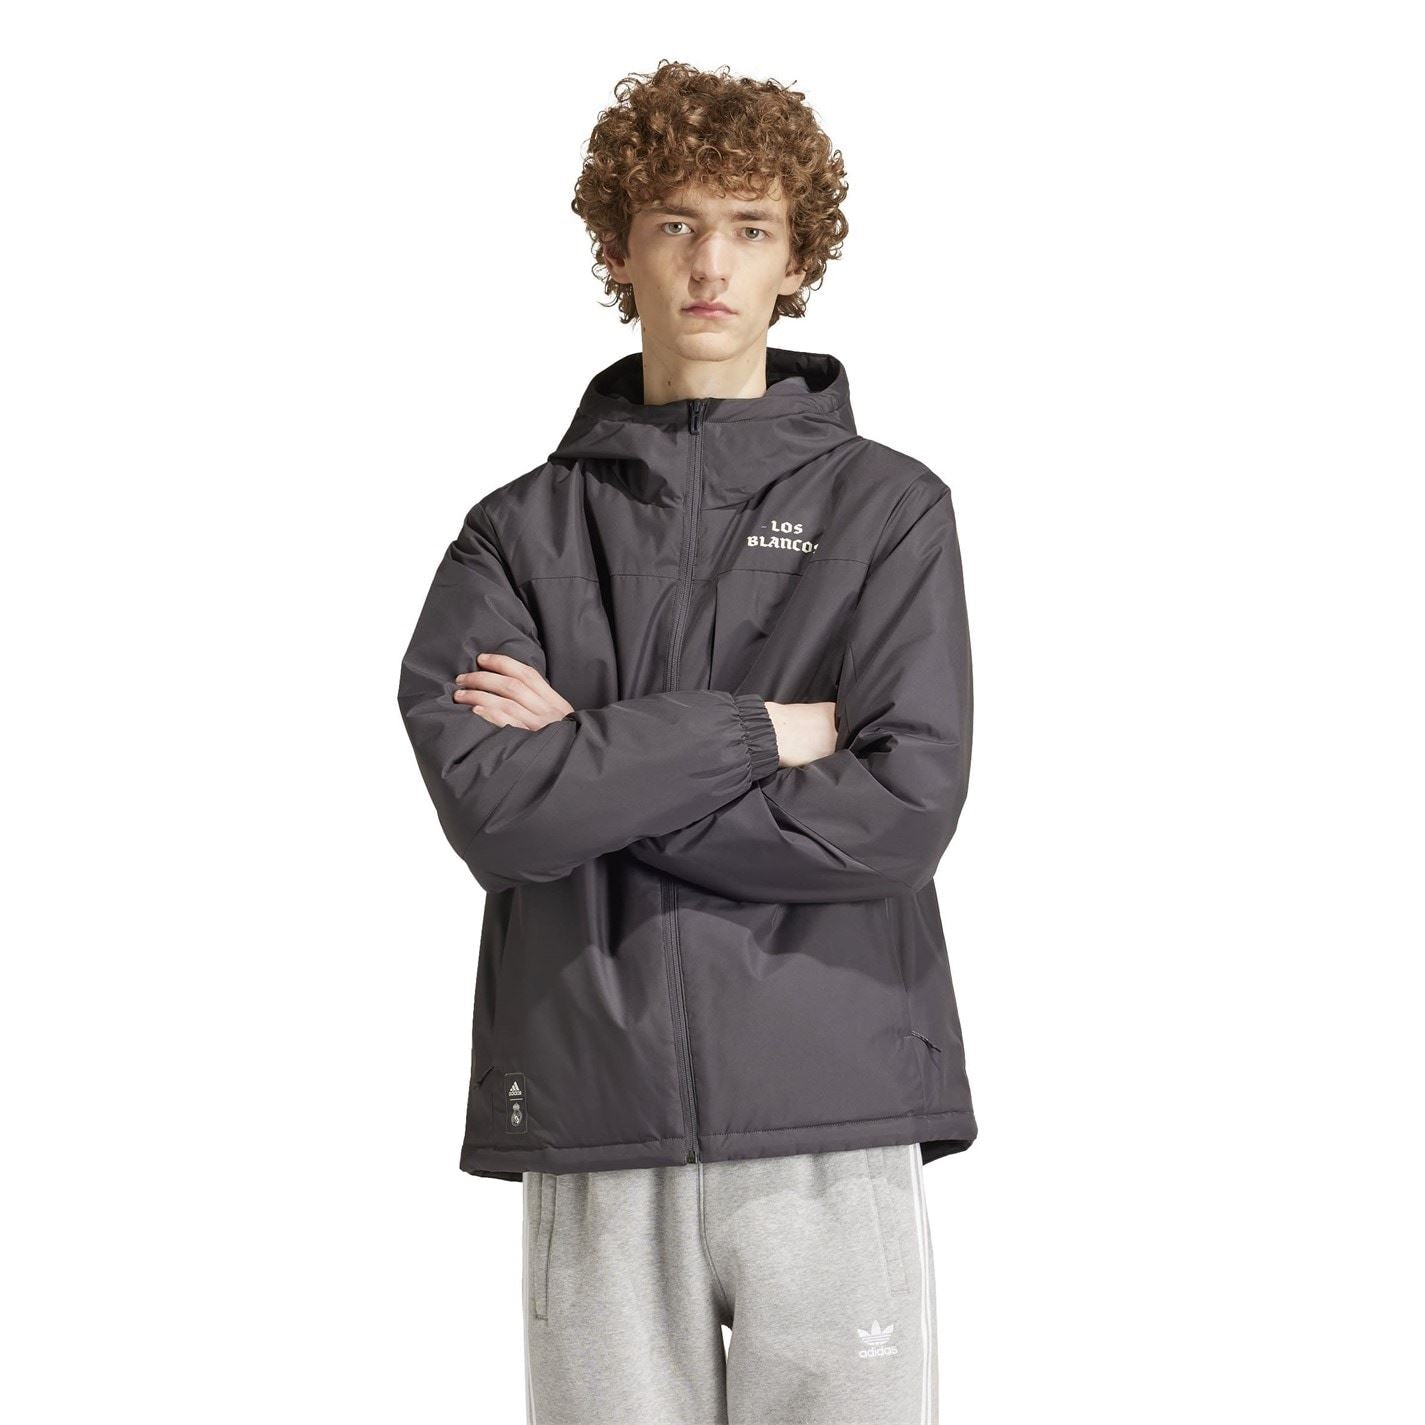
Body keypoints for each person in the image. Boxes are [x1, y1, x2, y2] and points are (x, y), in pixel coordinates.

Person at [396, 59, 977, 1425]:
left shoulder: (891, 511)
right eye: (675, 223)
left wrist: (593, 757)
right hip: (594, 1112)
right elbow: (497, 812)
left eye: (750, 227)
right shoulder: (514, 536)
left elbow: (899, 809)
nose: (711, 264)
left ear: (797, 259)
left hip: (832, 1100)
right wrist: (759, 732)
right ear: (618, 248)